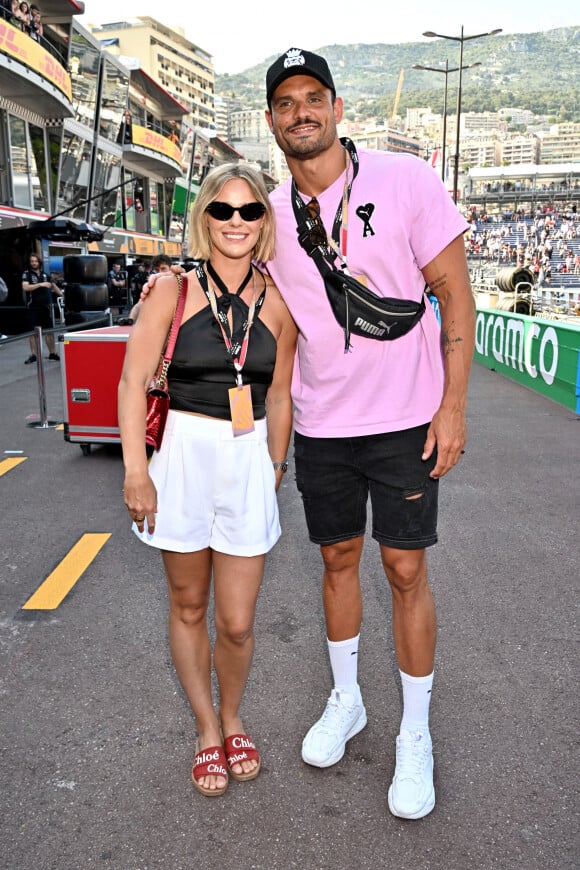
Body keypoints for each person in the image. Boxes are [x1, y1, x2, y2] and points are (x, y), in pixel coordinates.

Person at [263, 48, 475, 819]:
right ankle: (348, 699)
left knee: (406, 569)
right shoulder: (271, 214)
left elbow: (456, 294)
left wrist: (452, 407)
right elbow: (228, 266)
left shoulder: (407, 180)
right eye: (285, 103)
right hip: (323, 423)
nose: (301, 112)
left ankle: (415, 734)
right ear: (271, 122)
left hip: (406, 419)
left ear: (337, 107)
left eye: (313, 97)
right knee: (337, 557)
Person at [118, 163, 297, 797]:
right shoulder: (172, 289)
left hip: (247, 461)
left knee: (239, 621)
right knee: (189, 604)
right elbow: (131, 382)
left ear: (264, 222)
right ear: (205, 220)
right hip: (184, 457)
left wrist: (274, 468)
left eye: (250, 212)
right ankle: (205, 728)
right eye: (223, 211)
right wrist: (137, 473)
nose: (236, 223)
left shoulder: (280, 299)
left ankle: (233, 714)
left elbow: (278, 396)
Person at [22, 253, 63, 363]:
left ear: (39, 262)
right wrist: (40, 284)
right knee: (32, 332)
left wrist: (63, 296)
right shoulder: (27, 274)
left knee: (49, 332)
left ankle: (53, 354)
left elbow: (54, 286)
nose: (34, 263)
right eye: (32, 261)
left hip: (45, 307)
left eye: (36, 261)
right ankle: (34, 355)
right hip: (33, 307)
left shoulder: (45, 275)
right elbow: (25, 287)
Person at [128, 256, 171, 324]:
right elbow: (138, 306)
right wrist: (130, 320)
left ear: (170, 268)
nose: (160, 272)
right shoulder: (152, 286)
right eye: (157, 270)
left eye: (163, 268)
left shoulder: (180, 282)